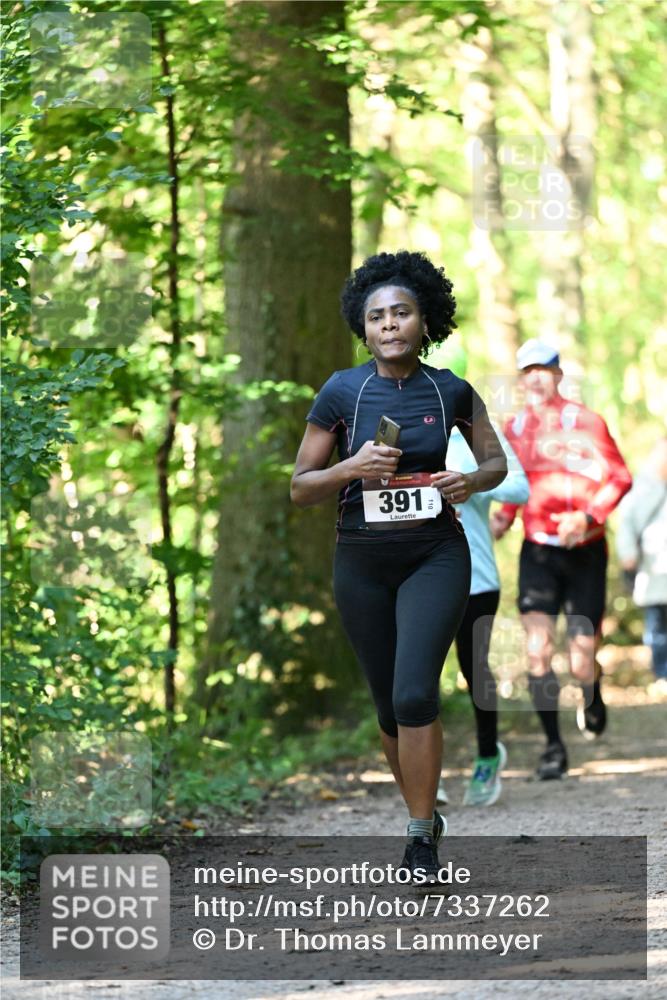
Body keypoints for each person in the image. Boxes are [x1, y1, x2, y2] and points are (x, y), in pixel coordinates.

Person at [290, 251, 507, 880]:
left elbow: (496, 464)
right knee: (388, 707)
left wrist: (469, 480)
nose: (389, 324)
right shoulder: (342, 390)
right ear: (363, 329)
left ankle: (419, 840)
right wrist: (351, 467)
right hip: (361, 561)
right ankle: (425, 814)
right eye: (377, 316)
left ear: (425, 321)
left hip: (435, 555)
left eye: (402, 312)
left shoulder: (451, 389)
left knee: (415, 693)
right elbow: (301, 486)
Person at [491, 339, 632, 780]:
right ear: (521, 380)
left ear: (558, 375)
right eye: (527, 371)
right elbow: (515, 484)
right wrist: (503, 518)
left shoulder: (588, 422)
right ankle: (553, 747)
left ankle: (591, 689)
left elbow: (620, 477)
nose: (535, 378)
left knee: (580, 661)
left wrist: (588, 516)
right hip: (538, 552)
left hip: (585, 550)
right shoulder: (514, 429)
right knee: (537, 652)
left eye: (543, 369)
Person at [446, 418, 529, 806]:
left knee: (473, 667)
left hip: (475, 577)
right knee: (418, 671)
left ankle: (486, 755)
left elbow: (520, 487)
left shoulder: (474, 433)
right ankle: (425, 770)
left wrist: (471, 482)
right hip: (412, 576)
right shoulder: (399, 429)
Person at [616, 437, 667, 681]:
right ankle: (662, 674)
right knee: (657, 625)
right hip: (652, 568)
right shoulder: (642, 487)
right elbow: (627, 524)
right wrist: (628, 555)